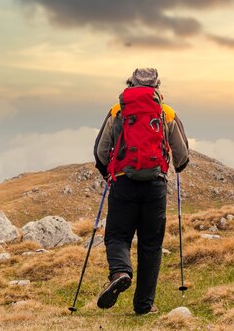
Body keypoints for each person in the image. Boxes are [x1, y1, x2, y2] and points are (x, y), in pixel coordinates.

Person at [93, 68, 189, 315]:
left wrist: (108, 173)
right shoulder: (166, 113)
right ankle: (144, 306)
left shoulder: (118, 111)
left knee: (116, 236)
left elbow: (101, 152)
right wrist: (175, 166)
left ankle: (121, 272)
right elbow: (182, 157)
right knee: (150, 245)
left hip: (124, 183)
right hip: (155, 187)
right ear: (157, 86)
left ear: (129, 84)